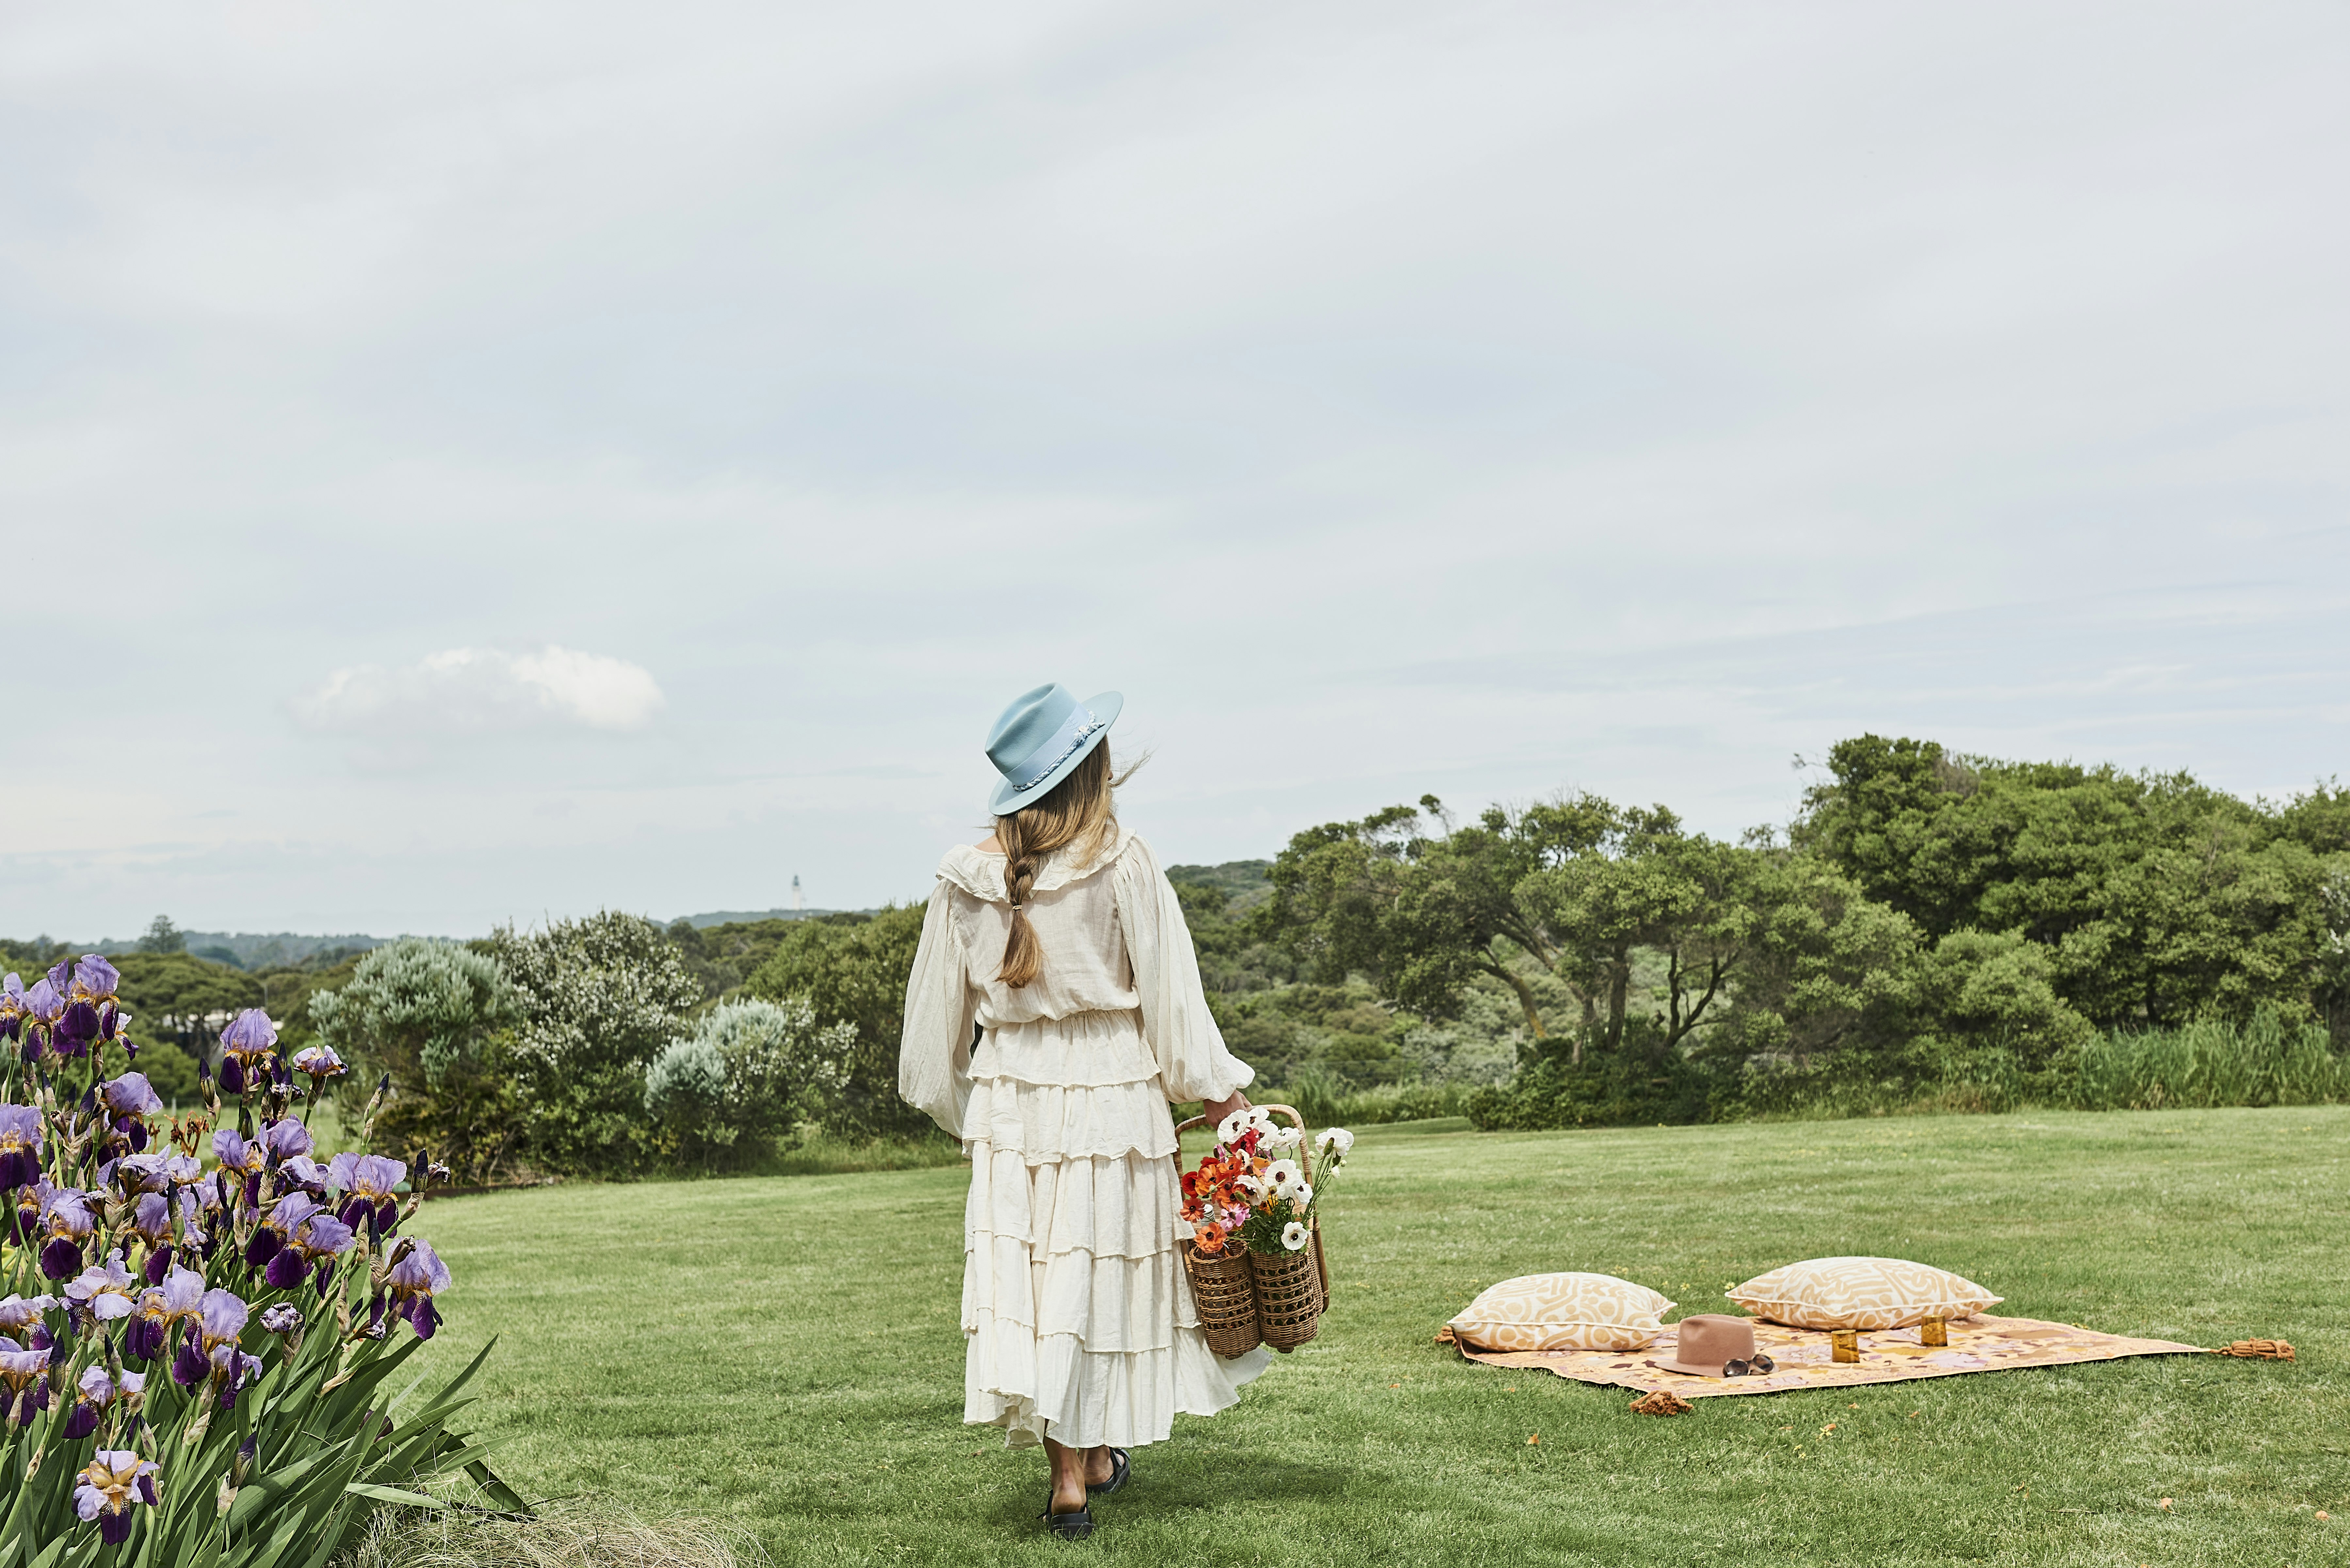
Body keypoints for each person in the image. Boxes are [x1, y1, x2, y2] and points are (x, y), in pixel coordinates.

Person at [899, 683, 1267, 1541]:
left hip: (1012, 1098)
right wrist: (1222, 1097)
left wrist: (975, 1117)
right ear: (1090, 768)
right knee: (1092, 1279)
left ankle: (1077, 1471)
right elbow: (1175, 1010)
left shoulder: (962, 880)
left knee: (1038, 1284)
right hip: (1110, 1092)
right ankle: (1084, 1466)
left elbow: (927, 1060)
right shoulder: (1121, 858)